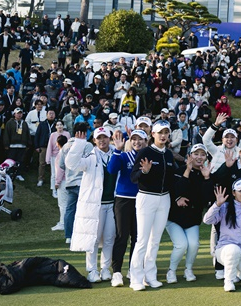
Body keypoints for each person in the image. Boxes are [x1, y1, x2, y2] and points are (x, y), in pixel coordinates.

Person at [66, 126, 116, 284]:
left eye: (105, 137)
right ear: (94, 140)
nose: (102, 140)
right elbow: (71, 164)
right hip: (96, 205)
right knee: (93, 240)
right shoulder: (90, 157)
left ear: (110, 138)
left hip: (113, 204)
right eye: (99, 138)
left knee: (109, 238)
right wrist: (79, 144)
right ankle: (92, 270)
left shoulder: (117, 153)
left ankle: (105, 269)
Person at [129, 120, 175, 291]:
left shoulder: (169, 155)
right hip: (146, 198)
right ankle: (136, 278)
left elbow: (172, 179)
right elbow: (133, 177)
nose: (163, 136)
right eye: (160, 132)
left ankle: (150, 276)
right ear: (153, 134)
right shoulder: (145, 152)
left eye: (166, 132)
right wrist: (144, 171)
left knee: (155, 241)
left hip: (164, 199)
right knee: (142, 240)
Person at [165, 144, 213, 284]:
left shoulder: (205, 173)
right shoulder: (179, 171)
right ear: (190, 156)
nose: (199, 157)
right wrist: (187, 170)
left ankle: (188, 269)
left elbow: (207, 198)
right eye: (196, 153)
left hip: (192, 218)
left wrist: (206, 178)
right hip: (174, 217)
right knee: (181, 245)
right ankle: (171, 271)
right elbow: (176, 190)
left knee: (194, 244)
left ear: (205, 157)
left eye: (202, 154)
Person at [106, 129, 147, 287]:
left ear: (145, 141)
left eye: (140, 139)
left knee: (138, 237)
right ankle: (116, 272)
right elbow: (111, 170)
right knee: (122, 236)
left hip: (142, 200)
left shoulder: (148, 157)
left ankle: (133, 268)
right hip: (123, 200)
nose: (137, 142)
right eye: (134, 139)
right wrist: (117, 149)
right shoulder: (124, 155)